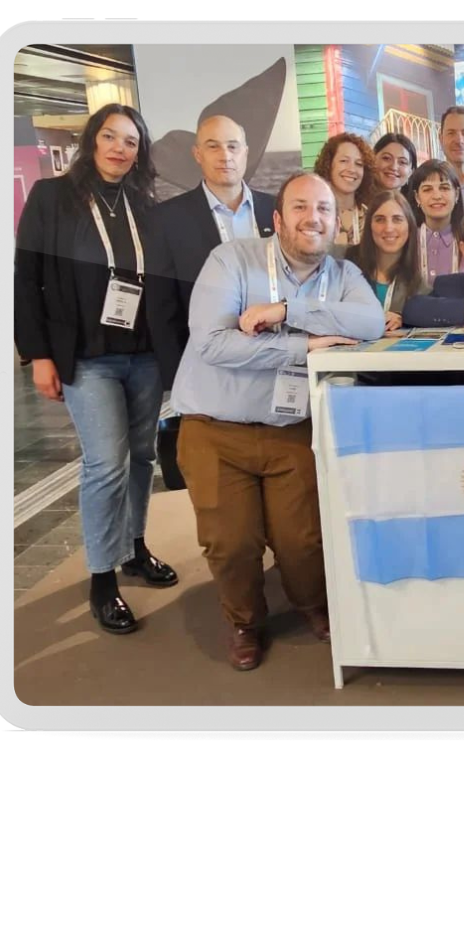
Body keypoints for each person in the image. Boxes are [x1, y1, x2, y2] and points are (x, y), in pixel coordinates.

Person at [172, 171, 385, 670]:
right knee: (231, 543)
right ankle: (245, 622)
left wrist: (287, 309)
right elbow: (213, 344)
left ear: (336, 220)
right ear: (278, 218)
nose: (314, 218)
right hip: (215, 426)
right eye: (301, 207)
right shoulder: (231, 260)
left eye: (324, 209)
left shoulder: (344, 275)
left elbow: (371, 322)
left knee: (303, 539)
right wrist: (305, 344)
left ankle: (312, 604)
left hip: (292, 430)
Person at [15, 103, 178, 636]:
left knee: (141, 457)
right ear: (91, 140)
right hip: (87, 356)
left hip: (144, 354)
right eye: (110, 136)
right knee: (105, 463)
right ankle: (102, 579)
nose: (119, 148)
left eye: (131, 141)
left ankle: (134, 548)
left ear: (140, 151)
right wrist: (38, 354)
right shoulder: (52, 197)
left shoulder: (145, 203)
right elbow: (26, 279)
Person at [146, 115, 277, 390]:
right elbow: (162, 308)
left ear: (246, 152)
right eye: (213, 146)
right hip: (206, 367)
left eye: (233, 146)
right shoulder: (167, 220)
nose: (225, 155)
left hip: (275, 356)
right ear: (198, 154)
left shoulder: (277, 210)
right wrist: (176, 380)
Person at [346, 190, 424, 331]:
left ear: (410, 226)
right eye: (380, 219)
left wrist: (404, 319)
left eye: (397, 219)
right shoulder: (344, 267)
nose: (388, 228)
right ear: (369, 226)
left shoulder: (419, 286)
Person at [409, 158, 464, 288]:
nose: (437, 196)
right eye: (427, 189)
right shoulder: (407, 240)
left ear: (456, 194)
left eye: (444, 188)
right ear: (417, 197)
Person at [313, 132, 374, 246]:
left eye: (359, 164)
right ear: (328, 165)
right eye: (344, 161)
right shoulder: (314, 215)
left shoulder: (372, 218)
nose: (352, 169)